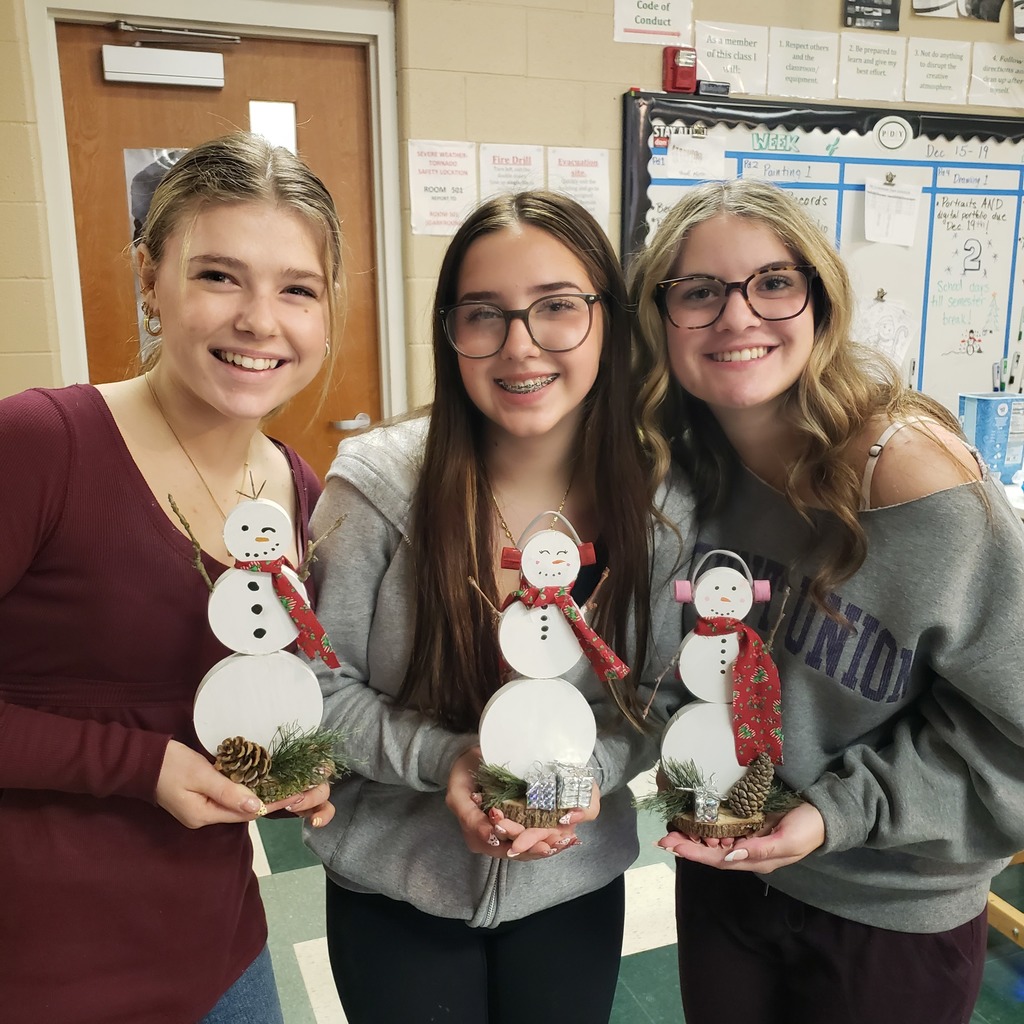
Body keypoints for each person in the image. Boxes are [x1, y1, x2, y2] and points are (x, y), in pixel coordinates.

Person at [627, 177, 1024, 1024]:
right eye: (699, 292)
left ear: (820, 300)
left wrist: (835, 814)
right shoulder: (682, 472)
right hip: (724, 864)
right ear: (661, 322)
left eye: (773, 282)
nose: (738, 316)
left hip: (889, 901)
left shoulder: (911, 478)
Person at [305, 190, 693, 1023]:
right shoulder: (376, 486)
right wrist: (445, 759)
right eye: (484, 314)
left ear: (610, 321)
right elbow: (315, 687)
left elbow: (660, 694)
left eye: (557, 307)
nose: (521, 346)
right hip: (394, 885)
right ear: (451, 332)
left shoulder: (662, 504)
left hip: (571, 882)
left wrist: (588, 776)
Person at [0, 132, 343, 1024]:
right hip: (41, 966)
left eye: (297, 290)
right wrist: (136, 765)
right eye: (219, 276)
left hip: (220, 950)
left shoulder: (299, 491)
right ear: (150, 280)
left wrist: (296, 760)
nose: (261, 321)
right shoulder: (43, 445)